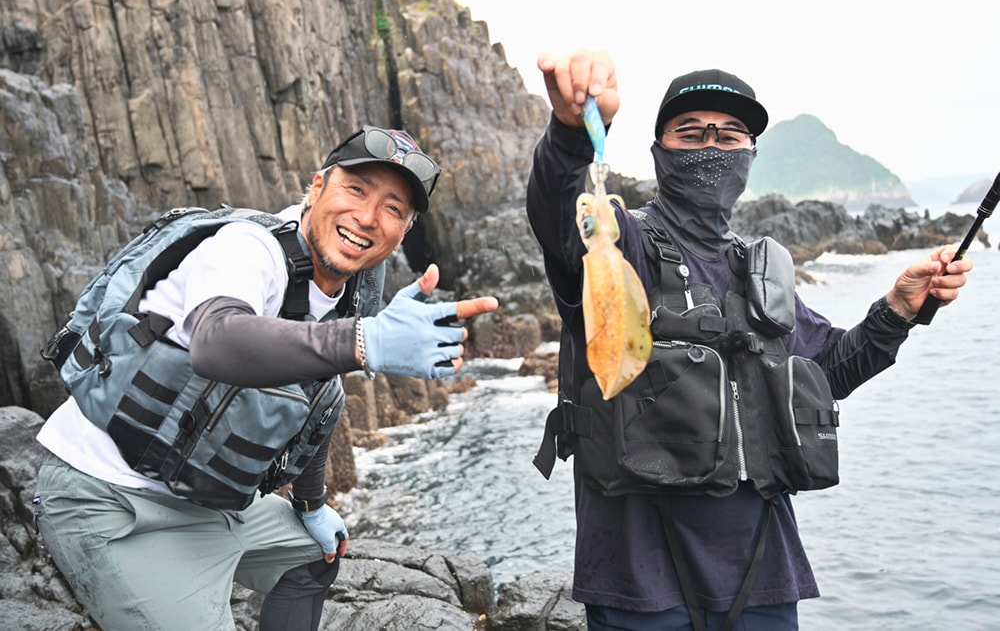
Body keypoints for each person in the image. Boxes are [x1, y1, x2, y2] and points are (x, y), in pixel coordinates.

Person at [526, 49, 973, 631]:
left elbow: (829, 369)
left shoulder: (759, 270)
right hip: (637, 578)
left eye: (730, 135)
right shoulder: (620, 245)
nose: (712, 145)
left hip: (762, 572)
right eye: (691, 133)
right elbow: (558, 218)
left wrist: (898, 310)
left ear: (751, 156)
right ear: (659, 150)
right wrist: (571, 131)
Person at [33, 125, 499, 631]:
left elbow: (325, 398)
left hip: (203, 502)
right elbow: (218, 341)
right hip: (108, 496)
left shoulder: (354, 289)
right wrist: (368, 342)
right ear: (317, 186)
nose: (366, 218)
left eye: (392, 209)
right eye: (356, 189)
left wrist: (312, 504)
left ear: (404, 232)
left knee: (314, 555)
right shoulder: (247, 248)